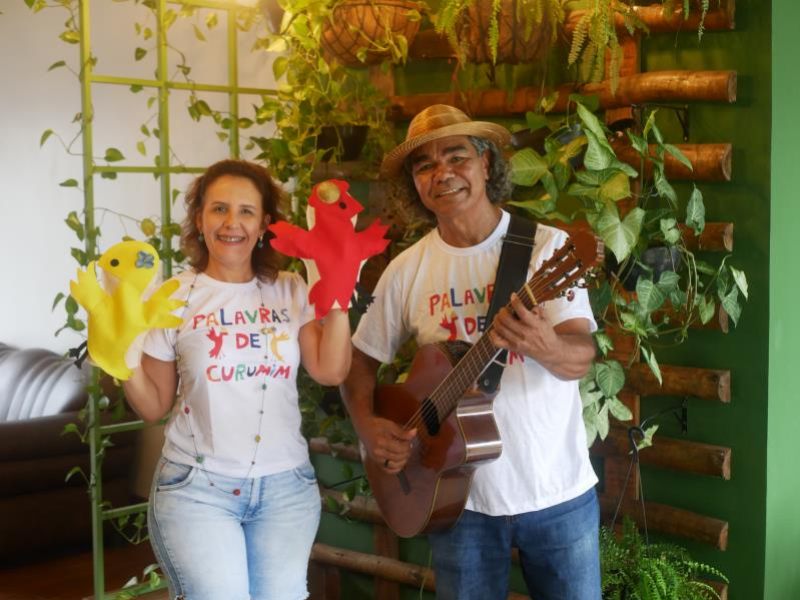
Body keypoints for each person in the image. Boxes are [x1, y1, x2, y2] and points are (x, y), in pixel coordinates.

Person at [341, 105, 601, 600]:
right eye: (425, 166)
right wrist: (367, 427)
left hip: (557, 493)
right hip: (456, 501)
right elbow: (358, 361)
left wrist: (545, 345)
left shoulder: (548, 248)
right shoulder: (407, 269)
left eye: (456, 156)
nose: (442, 173)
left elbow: (581, 356)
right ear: (415, 184)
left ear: (485, 163)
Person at [123, 159, 351, 600]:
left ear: (264, 223)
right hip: (197, 490)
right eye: (219, 209)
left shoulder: (290, 288)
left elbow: (330, 370)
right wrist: (121, 359)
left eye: (246, 211)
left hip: (285, 489)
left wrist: (339, 295)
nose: (232, 223)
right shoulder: (173, 296)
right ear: (199, 219)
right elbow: (153, 406)